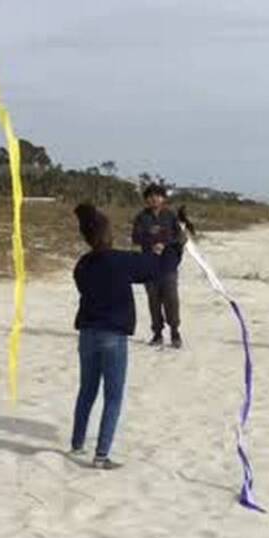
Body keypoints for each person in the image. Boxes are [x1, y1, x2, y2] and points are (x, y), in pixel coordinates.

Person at [72, 203, 161, 470]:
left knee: (87, 391)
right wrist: (171, 249)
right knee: (113, 396)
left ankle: (77, 443)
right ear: (107, 234)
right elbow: (154, 268)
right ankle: (101, 455)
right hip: (112, 335)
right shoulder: (120, 260)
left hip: (87, 334)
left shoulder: (82, 264)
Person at [131, 185, 187, 349]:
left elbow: (181, 237)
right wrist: (150, 240)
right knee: (153, 300)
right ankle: (157, 333)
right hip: (149, 264)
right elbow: (135, 237)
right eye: (150, 196)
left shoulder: (171, 216)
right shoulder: (141, 217)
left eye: (157, 196)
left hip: (169, 264)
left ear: (163, 198)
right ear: (146, 199)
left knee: (171, 299)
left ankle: (175, 332)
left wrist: (165, 244)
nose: (154, 199)